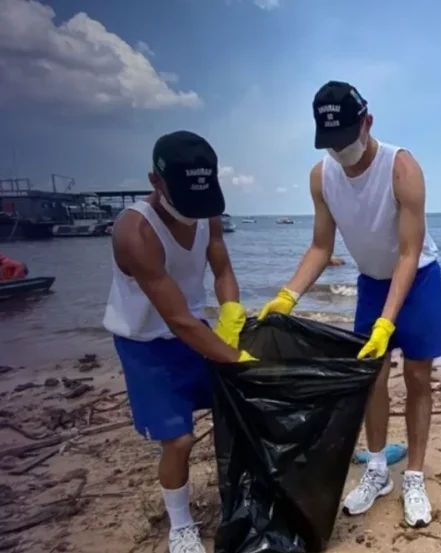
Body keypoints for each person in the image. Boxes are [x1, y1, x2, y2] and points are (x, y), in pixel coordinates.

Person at [258, 81, 441, 528]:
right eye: (330, 144)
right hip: (371, 281)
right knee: (371, 377)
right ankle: (378, 468)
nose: (339, 152)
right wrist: (287, 296)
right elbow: (321, 247)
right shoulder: (321, 177)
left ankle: (416, 476)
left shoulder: (401, 167)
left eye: (346, 140)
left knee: (419, 375)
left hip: (418, 276)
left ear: (367, 123)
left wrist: (388, 321)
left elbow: (409, 252)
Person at [102, 130, 256, 553]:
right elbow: (177, 319)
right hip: (147, 343)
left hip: (196, 327)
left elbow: (222, 270)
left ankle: (244, 490)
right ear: (156, 181)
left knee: (239, 407)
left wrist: (230, 312)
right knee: (179, 439)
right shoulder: (136, 232)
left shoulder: (205, 212)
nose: (196, 211)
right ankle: (181, 524)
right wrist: (236, 358)